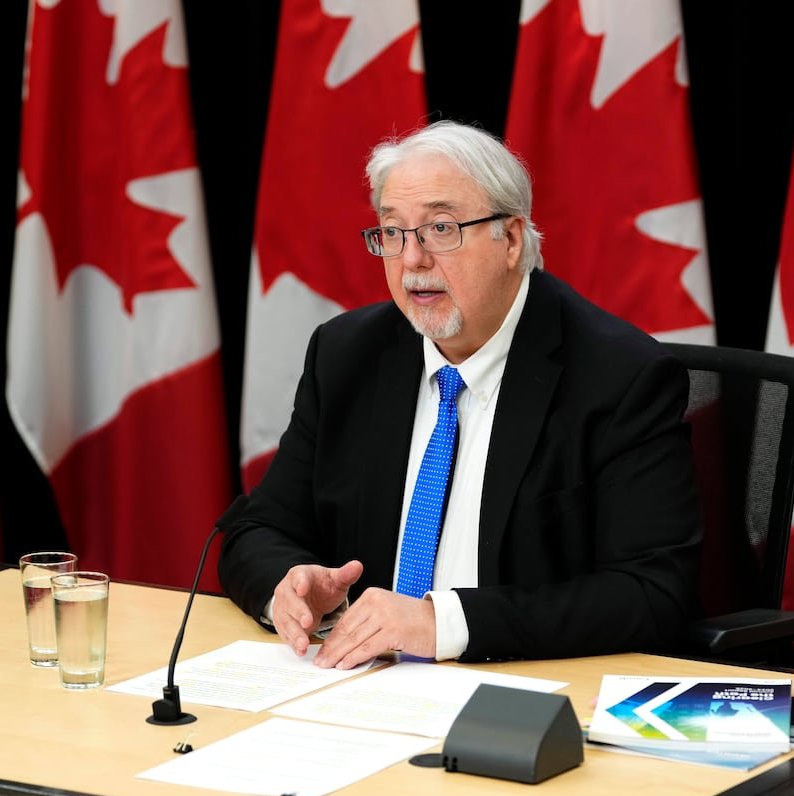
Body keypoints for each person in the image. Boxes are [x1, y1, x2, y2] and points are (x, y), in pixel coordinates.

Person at [219, 120, 701, 669]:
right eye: (393, 233)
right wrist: (292, 584)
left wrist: (443, 623)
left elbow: (651, 593)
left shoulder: (618, 376)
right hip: (362, 690)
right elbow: (256, 530)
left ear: (512, 239)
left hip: (523, 696)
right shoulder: (347, 354)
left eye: (441, 229)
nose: (412, 260)